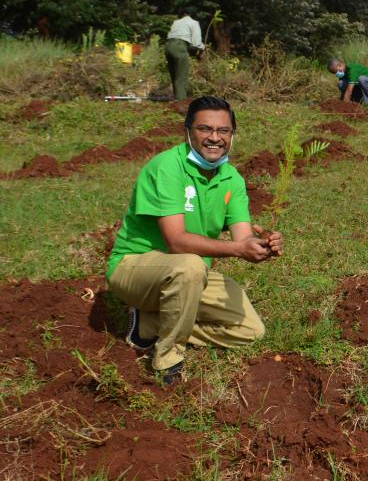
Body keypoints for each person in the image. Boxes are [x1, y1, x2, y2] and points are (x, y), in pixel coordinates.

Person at [106, 96, 283, 384]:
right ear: (187, 131)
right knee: (189, 265)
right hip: (134, 267)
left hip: (188, 274)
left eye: (223, 131)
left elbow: (243, 236)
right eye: (205, 129)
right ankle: (167, 358)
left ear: (232, 135)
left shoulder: (232, 179)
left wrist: (262, 244)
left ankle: (149, 322)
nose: (215, 138)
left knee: (250, 331)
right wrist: (237, 249)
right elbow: (175, 242)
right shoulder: (168, 168)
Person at [165, 8, 205, 100]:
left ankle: (176, 98)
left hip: (168, 46)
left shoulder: (176, 22)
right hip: (179, 46)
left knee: (174, 75)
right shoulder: (194, 23)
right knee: (181, 76)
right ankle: (180, 101)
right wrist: (203, 48)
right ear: (192, 15)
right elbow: (196, 43)